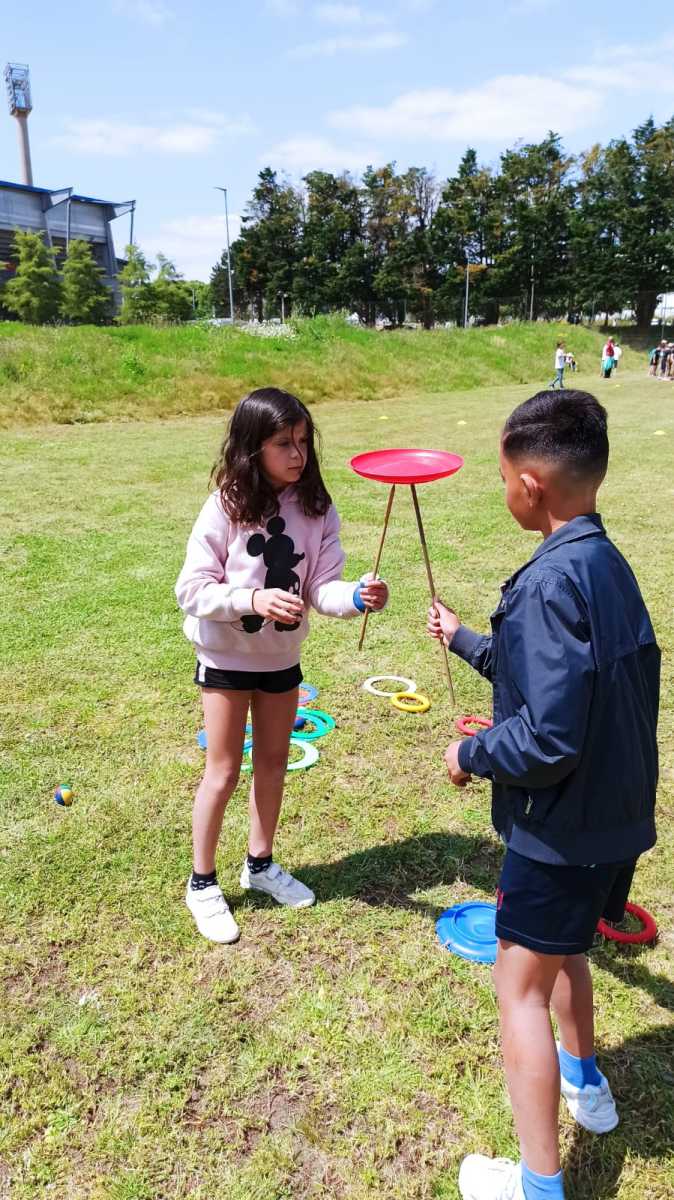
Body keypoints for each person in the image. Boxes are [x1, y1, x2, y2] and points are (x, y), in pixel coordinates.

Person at [427, 389, 660, 1200]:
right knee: (565, 953)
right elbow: (558, 678)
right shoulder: (605, 563)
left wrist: (469, 752)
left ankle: (537, 1186)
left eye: (502, 479)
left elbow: (548, 736)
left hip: (560, 830)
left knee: (519, 989)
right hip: (613, 822)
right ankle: (587, 1086)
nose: (504, 491)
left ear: (530, 485)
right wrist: (465, 639)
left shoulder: (548, 583)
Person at [176, 387, 388, 943]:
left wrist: (356, 596)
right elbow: (191, 589)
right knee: (223, 771)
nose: (297, 454)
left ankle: (261, 864)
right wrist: (252, 600)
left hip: (281, 659)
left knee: (272, 764)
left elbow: (322, 587)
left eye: (302, 441)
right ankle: (202, 883)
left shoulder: (316, 507)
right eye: (282, 444)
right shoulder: (225, 506)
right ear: (252, 448)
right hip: (225, 658)